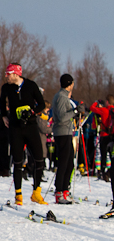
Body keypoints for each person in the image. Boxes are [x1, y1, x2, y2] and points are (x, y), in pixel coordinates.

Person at [0, 63, 47, 205]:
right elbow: (2, 102)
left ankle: (36, 192)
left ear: (15, 74)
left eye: (8, 74)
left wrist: (32, 112)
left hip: (31, 126)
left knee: (39, 159)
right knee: (17, 161)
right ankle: (18, 194)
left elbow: (42, 104)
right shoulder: (6, 88)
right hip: (15, 127)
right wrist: (4, 116)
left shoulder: (31, 85)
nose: (6, 77)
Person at [52, 74, 78, 204]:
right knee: (64, 163)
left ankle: (65, 191)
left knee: (69, 163)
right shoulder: (61, 97)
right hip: (62, 133)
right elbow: (62, 117)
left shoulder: (63, 96)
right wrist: (75, 112)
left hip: (67, 132)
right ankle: (59, 192)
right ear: (70, 83)